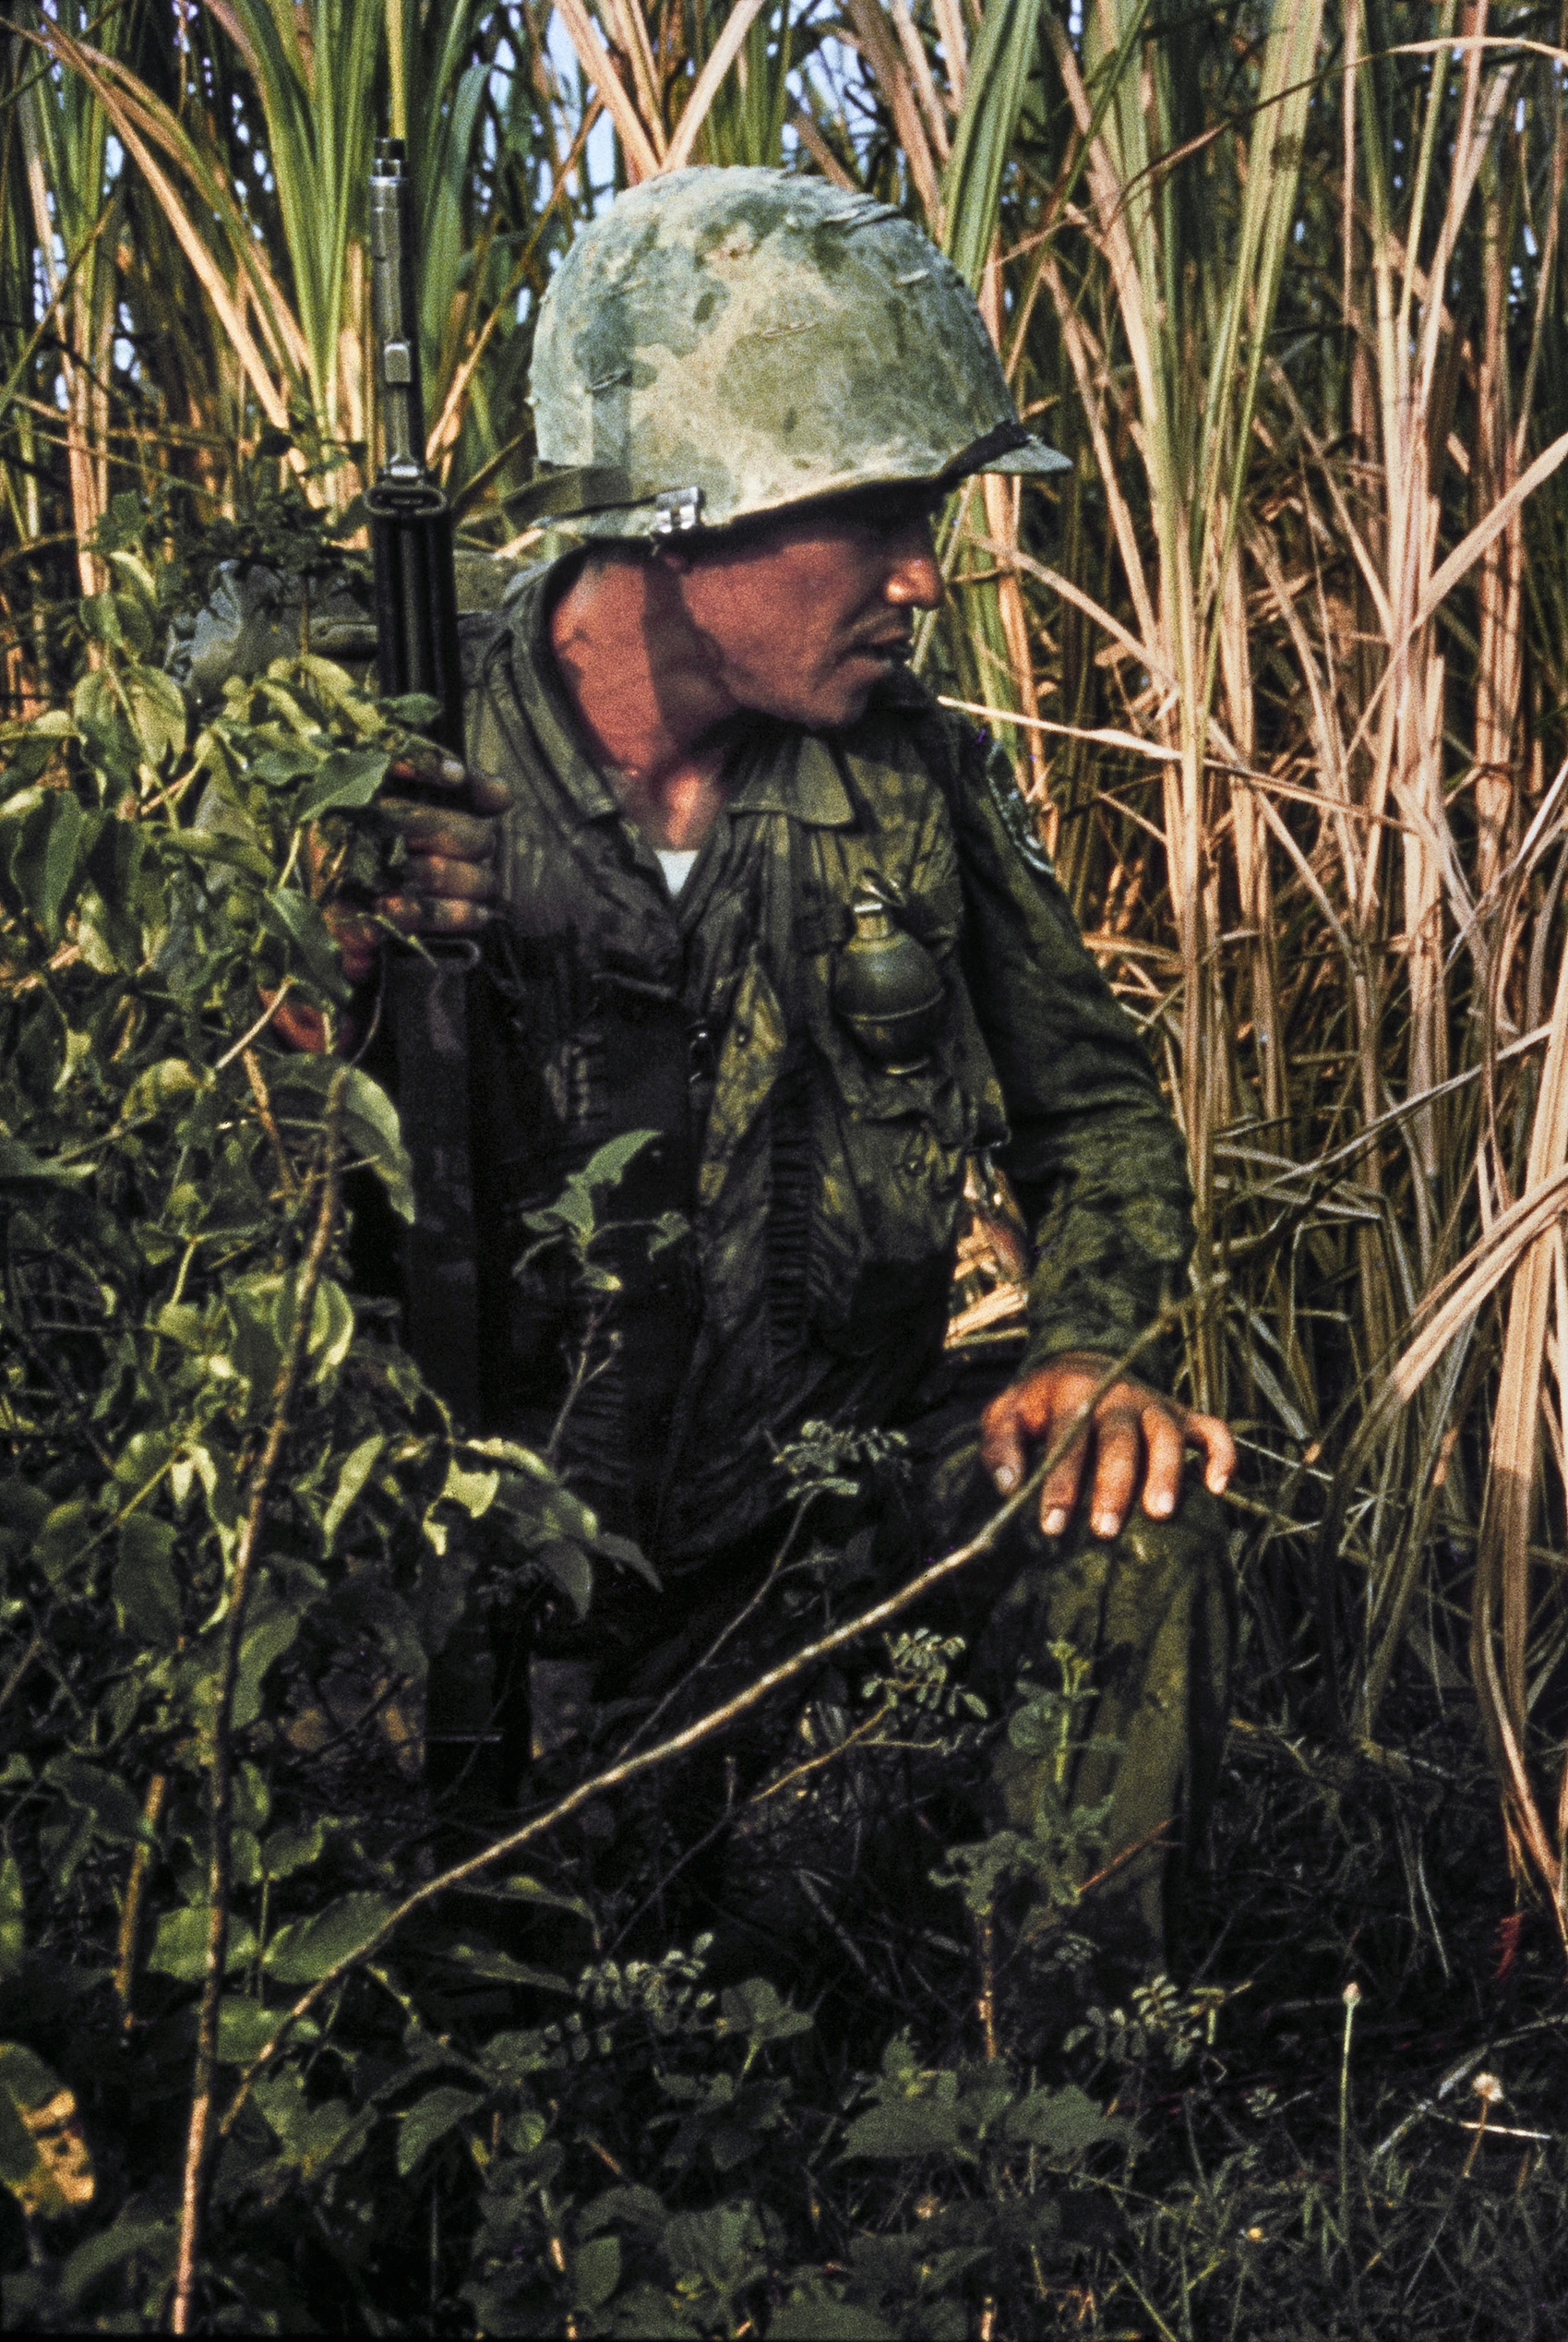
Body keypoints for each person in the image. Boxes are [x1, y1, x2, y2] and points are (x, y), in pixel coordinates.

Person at [218, 168, 1235, 1978]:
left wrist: (1091, 1347)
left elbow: (1097, 1113)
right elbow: (195, 1171)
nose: (925, 571)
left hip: (813, 1536)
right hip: (493, 1552)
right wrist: (328, 956)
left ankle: (1063, 2130)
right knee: (444, 1976)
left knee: (1125, 1509)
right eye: (871, 513)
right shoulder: (383, 741)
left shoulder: (917, 773)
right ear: (681, 520)